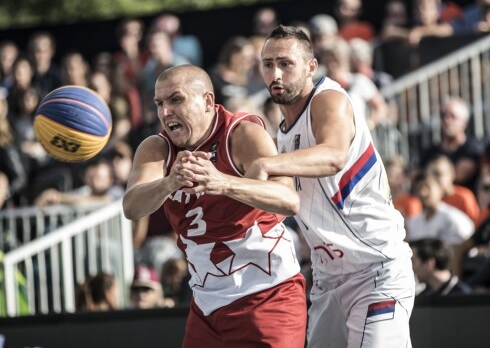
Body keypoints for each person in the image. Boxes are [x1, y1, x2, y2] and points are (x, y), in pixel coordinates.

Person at [251, 25, 415, 348]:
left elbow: (334, 156)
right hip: (328, 277)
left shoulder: (328, 100)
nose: (276, 73)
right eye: (268, 64)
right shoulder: (282, 128)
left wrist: (266, 164)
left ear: (311, 67)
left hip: (376, 268)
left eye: (285, 63)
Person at [123, 64, 307, 347]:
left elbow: (289, 201)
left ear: (208, 101)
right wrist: (169, 183)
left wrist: (221, 182)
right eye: (159, 103)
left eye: (176, 99)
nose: (165, 112)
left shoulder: (242, 133)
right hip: (207, 304)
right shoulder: (157, 148)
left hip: (268, 293)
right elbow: (131, 206)